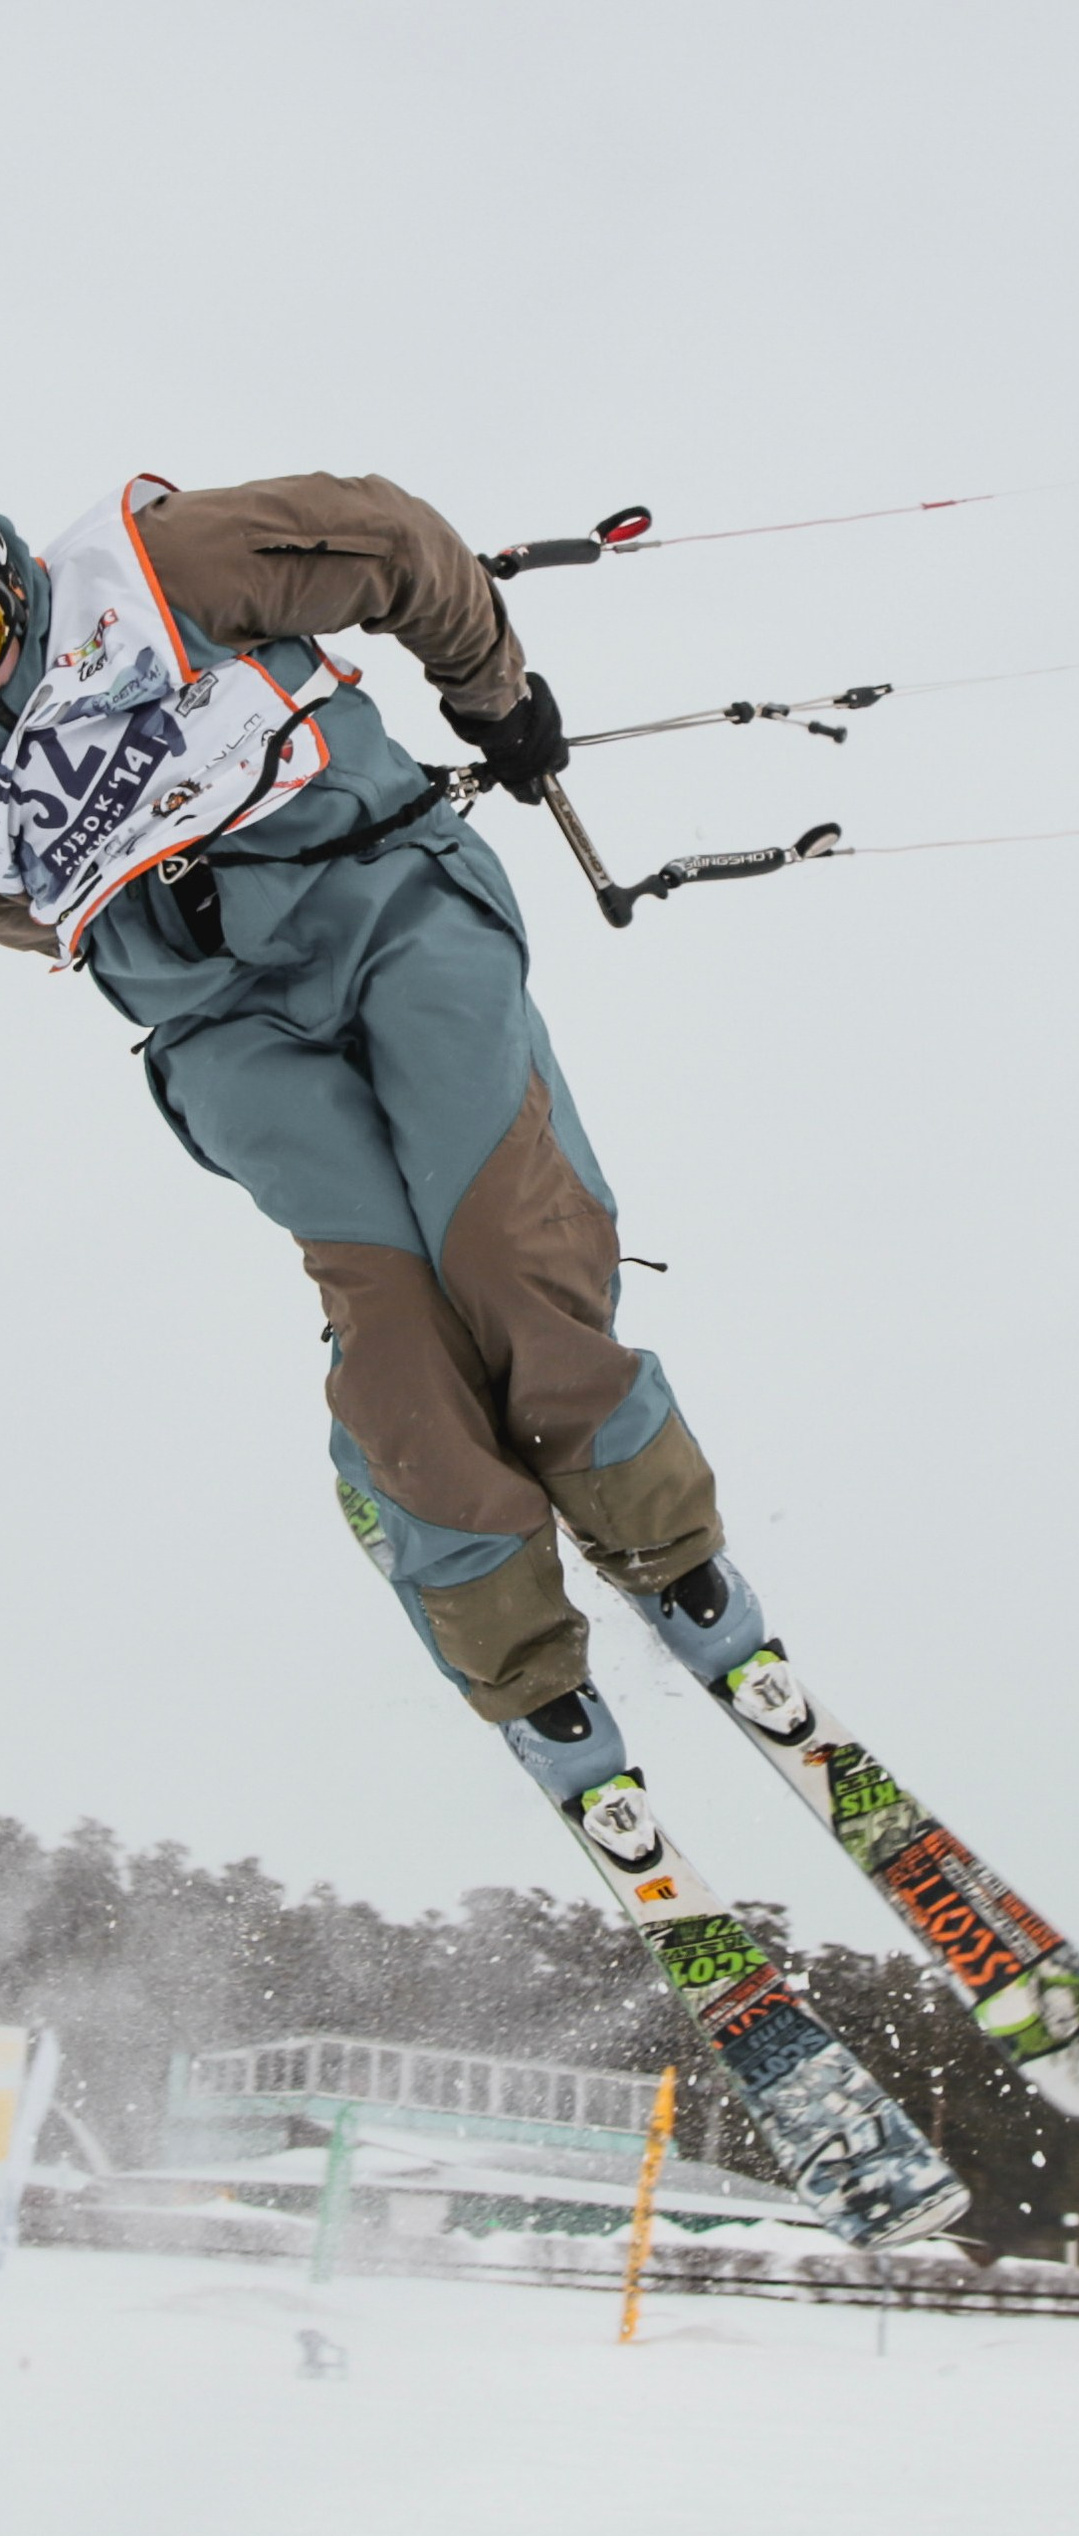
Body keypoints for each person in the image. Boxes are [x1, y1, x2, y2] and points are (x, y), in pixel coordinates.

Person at [0, 476, 787, 1858]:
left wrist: (491, 697)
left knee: (503, 1246)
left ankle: (665, 1549)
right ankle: (521, 1664)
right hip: (227, 1034)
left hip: (385, 906)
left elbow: (393, 543)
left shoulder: (151, 568)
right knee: (399, 1328)